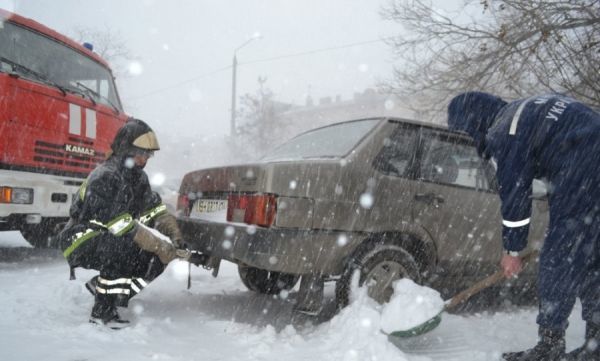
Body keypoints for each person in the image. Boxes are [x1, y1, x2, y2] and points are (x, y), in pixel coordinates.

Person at [447, 92, 600, 361]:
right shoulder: (521, 111)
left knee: (560, 256)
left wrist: (513, 249)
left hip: (583, 163)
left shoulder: (505, 131)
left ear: (472, 121)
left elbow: (516, 192)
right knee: (590, 254)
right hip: (587, 156)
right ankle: (595, 342)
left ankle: (550, 345)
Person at [58, 118, 208, 329]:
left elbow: (155, 211)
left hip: (110, 236)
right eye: (141, 153)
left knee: (153, 259)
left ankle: (112, 293)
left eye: (148, 154)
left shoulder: (138, 179)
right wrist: (159, 244)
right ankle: (102, 313)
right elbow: (118, 224)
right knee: (122, 247)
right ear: (126, 149)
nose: (144, 159)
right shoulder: (105, 177)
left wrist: (175, 238)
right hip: (80, 237)